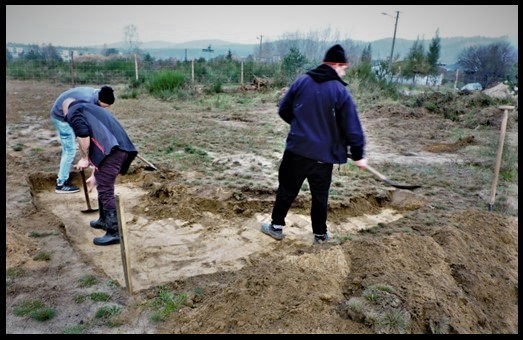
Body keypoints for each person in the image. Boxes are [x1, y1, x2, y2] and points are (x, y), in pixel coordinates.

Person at [261, 44, 368, 245]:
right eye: (344, 67)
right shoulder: (340, 91)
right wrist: (359, 154)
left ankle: (276, 227)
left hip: (296, 151)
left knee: (287, 189)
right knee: (320, 197)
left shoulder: (302, 81)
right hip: (323, 157)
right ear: (336, 65)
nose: (344, 72)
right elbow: (352, 127)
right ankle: (320, 235)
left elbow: (284, 109)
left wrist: (300, 127)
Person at [62, 98, 137, 246]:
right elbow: (100, 138)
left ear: (65, 110)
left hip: (114, 151)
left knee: (106, 190)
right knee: (102, 184)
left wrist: (84, 159)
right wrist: (95, 174)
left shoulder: (73, 112)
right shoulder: (90, 108)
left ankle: (114, 232)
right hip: (119, 149)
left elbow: (83, 135)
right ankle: (104, 221)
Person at [50, 85, 115, 193]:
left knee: (88, 137)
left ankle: (88, 160)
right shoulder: (86, 102)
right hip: (61, 117)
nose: (104, 109)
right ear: (99, 100)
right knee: (69, 149)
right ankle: (61, 184)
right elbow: (83, 133)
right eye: (103, 106)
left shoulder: (98, 95)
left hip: (71, 110)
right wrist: (84, 157)